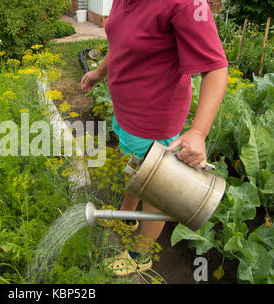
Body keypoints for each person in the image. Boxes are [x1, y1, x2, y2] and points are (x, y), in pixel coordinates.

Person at [81, 0, 228, 276]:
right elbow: (121, 45)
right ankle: (125, 218)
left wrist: (198, 132)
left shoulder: (184, 3)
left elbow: (216, 67)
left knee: (156, 191)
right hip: (127, 113)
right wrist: (99, 73)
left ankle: (139, 255)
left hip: (155, 119)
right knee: (136, 169)